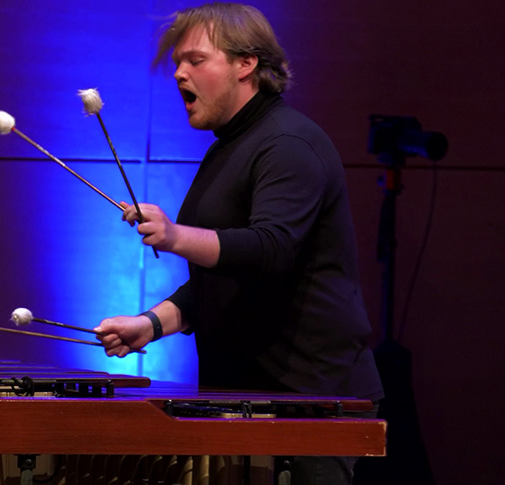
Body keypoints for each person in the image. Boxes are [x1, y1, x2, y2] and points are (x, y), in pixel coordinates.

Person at [93, 3, 383, 484]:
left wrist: (176, 235)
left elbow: (270, 250)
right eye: (177, 64)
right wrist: (152, 323)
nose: (180, 74)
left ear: (246, 64)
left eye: (196, 60)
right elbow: (223, 277)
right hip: (243, 394)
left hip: (307, 398)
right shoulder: (227, 147)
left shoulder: (289, 143)